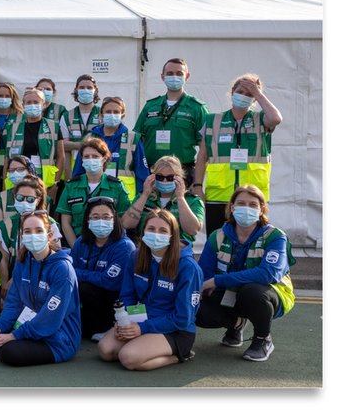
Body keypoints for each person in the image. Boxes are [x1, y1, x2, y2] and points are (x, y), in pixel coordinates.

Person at [196, 185, 295, 362]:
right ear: (232, 207)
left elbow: (268, 274)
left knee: (251, 292)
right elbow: (204, 274)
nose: (246, 208)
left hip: (270, 295)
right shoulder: (217, 236)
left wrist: (218, 280)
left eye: (252, 204)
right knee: (197, 308)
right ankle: (236, 324)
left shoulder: (275, 236)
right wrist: (202, 290)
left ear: (261, 209)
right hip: (231, 293)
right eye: (241, 203)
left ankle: (263, 339)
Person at [99, 208, 201, 370]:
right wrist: (125, 321)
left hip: (175, 330)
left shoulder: (188, 267)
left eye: (163, 230)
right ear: (143, 232)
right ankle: (141, 344)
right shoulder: (136, 257)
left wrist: (142, 328)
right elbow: (128, 295)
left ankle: (178, 356)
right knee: (106, 350)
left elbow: (183, 318)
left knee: (128, 358)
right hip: (141, 319)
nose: (156, 234)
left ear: (172, 235)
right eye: (151, 229)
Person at [0, 210, 80, 366]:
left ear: (49, 235)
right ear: (22, 236)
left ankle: (9, 342)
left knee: (10, 351)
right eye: (27, 232)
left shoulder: (62, 269)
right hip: (29, 328)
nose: (32, 235)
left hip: (58, 339)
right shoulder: (23, 262)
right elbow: (13, 304)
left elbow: (50, 318)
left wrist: (13, 336)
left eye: (39, 230)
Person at [194, 73, 282, 235]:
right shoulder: (213, 120)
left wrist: (258, 93)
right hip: (218, 195)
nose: (244, 96)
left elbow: (276, 118)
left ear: (255, 100)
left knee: (253, 241)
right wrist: (198, 186)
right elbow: (202, 157)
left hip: (252, 196)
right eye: (241, 91)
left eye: (250, 94)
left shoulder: (261, 119)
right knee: (218, 240)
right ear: (233, 91)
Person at [70, 197, 136, 341]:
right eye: (95, 217)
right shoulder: (80, 242)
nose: (101, 221)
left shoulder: (124, 246)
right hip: (89, 301)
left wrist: (78, 273)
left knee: (85, 287)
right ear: (88, 220)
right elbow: (70, 273)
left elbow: (110, 281)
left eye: (106, 217)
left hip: (116, 300)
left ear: (114, 219)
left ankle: (105, 328)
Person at [135, 58, 209, 182]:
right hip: (151, 172)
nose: (174, 77)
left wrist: (198, 183)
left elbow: (205, 148)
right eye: (169, 73)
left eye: (179, 73)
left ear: (187, 76)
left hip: (183, 173)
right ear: (162, 77)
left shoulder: (197, 108)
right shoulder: (150, 106)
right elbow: (138, 141)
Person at [71, 96, 148, 201]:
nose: (112, 115)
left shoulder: (133, 138)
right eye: (108, 111)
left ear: (123, 115)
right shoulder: (90, 137)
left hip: (124, 198)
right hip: (92, 196)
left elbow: (142, 173)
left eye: (116, 112)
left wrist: (140, 199)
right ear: (101, 114)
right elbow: (78, 170)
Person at [56, 137, 132, 239]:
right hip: (79, 242)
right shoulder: (71, 186)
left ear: (104, 159)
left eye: (95, 156)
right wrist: (76, 248)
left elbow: (122, 221)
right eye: (86, 156)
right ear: (82, 159)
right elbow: (66, 223)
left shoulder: (117, 186)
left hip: (109, 243)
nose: (90, 159)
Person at [122, 155, 205, 246]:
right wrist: (145, 194)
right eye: (160, 177)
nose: (165, 181)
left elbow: (192, 230)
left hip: (178, 252)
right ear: (153, 177)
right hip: (147, 250)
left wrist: (180, 198)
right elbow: (126, 224)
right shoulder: (144, 197)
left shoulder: (192, 201)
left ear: (179, 178)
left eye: (170, 178)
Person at [0, 88, 64, 189]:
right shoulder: (14, 128)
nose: (32, 105)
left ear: (43, 104)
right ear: (23, 105)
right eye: (29, 102)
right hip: (18, 179)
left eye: (36, 102)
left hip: (45, 181)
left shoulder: (53, 126)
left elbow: (61, 156)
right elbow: (7, 158)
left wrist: (56, 183)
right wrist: (4, 183)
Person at [60, 75, 102, 180]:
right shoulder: (67, 116)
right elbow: (63, 146)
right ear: (76, 90)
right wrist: (69, 175)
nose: (85, 90)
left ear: (95, 91)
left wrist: (73, 145)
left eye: (89, 87)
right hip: (74, 167)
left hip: (98, 167)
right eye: (82, 87)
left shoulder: (103, 113)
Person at [0, 82, 22, 195]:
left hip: (13, 166)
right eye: (0, 96)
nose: (3, 99)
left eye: (7, 96)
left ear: (13, 98)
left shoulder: (20, 118)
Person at [35, 78, 69, 142]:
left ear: (53, 92)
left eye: (48, 89)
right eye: (41, 89)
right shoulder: (29, 109)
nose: (44, 91)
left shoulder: (60, 109)